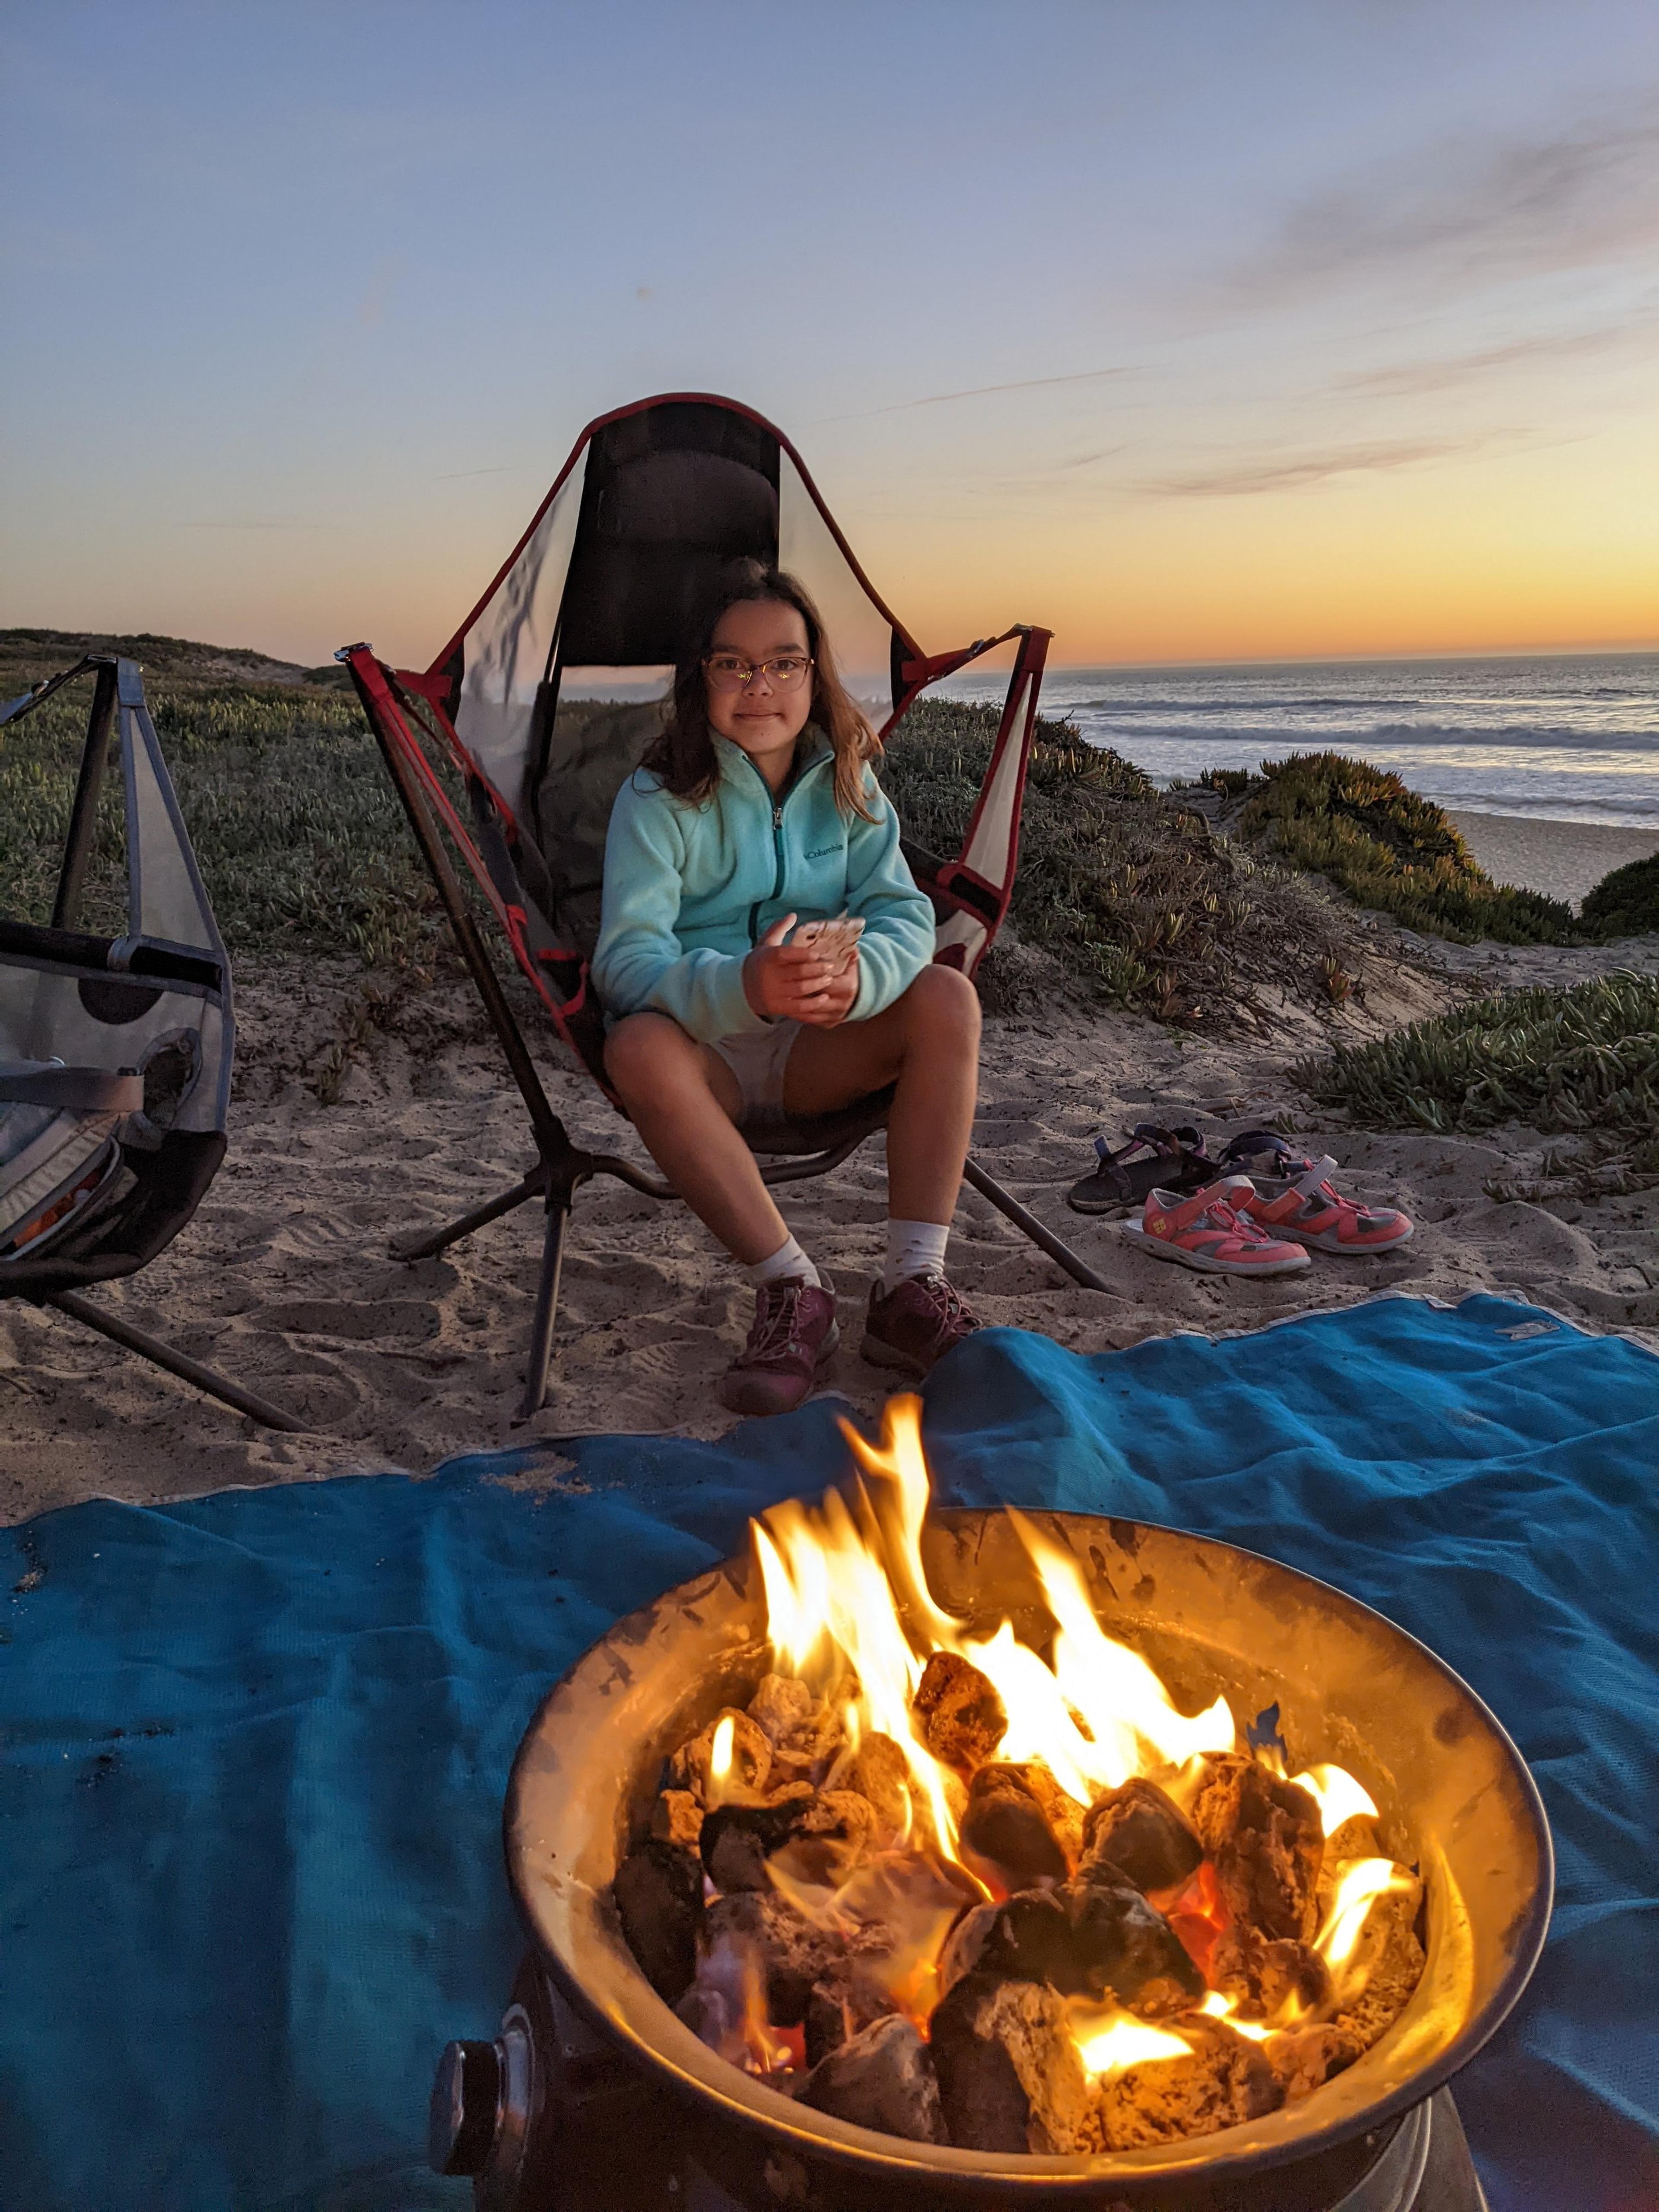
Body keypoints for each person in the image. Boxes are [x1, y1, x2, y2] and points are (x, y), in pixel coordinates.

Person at [593, 560, 984, 1416]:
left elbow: (902, 915)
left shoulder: (849, 782)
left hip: (821, 1046)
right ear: (701, 677)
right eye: (733, 662)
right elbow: (625, 964)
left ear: (815, 676)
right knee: (633, 1045)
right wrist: (746, 985)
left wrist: (861, 985)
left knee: (947, 995)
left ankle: (910, 1288)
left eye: (784, 662)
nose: (759, 683)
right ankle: (792, 1290)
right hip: (712, 1059)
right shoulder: (657, 800)